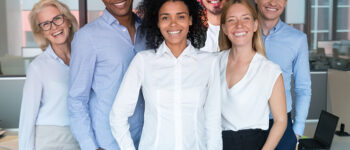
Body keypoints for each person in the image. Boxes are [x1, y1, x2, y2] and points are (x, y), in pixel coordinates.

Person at [109, 0, 222, 149]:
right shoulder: (143, 61)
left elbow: (213, 122)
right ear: (157, 22)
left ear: (190, 19)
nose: (173, 24)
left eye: (180, 16)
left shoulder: (209, 62)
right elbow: (117, 115)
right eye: (165, 17)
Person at [67, 0, 146, 149]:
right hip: (108, 143)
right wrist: (91, 146)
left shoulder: (149, 31)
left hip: (146, 141)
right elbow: (76, 99)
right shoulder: (87, 37)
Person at [218, 0, 287, 149]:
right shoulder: (214, 63)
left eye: (245, 18)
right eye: (231, 20)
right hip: (217, 142)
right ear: (224, 28)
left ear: (255, 25)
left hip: (252, 144)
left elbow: (281, 121)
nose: (239, 25)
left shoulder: (270, 70)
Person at [18, 0, 79, 150]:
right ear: (41, 32)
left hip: (79, 137)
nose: (54, 28)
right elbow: (27, 119)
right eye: (45, 24)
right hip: (50, 141)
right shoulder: (38, 67)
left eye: (57, 19)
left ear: (68, 21)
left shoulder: (84, 59)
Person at [255, 0, 312, 149]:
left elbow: (303, 88)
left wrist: (297, 132)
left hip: (282, 126)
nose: (273, 2)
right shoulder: (241, 34)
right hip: (246, 124)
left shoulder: (298, 39)